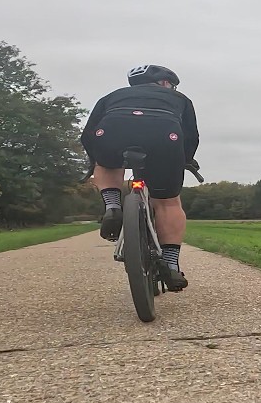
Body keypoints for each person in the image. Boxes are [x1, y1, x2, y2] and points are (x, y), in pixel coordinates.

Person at [80, 65, 199, 291]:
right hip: (164, 136)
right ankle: (171, 263)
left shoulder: (112, 96)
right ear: (165, 83)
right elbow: (191, 136)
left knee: (106, 163)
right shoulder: (180, 98)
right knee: (168, 202)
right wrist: (184, 159)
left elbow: (88, 134)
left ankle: (113, 205)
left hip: (113, 131)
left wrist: (94, 160)